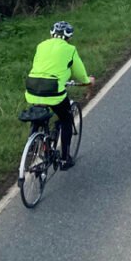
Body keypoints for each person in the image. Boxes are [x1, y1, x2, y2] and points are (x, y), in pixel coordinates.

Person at [25, 21, 93, 170]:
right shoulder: (70, 49)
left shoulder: (41, 46)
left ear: (51, 34)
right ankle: (64, 159)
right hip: (53, 89)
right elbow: (80, 73)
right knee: (66, 118)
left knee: (39, 112)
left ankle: (33, 145)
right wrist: (88, 81)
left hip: (31, 87)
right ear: (69, 38)